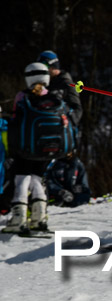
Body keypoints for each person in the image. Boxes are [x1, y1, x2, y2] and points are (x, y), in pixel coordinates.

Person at [2, 63, 56, 233]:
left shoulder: (23, 96)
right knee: (37, 178)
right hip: (46, 148)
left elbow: (17, 120)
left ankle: (19, 217)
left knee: (21, 178)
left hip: (25, 146)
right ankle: (39, 216)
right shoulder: (54, 98)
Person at [37, 50, 83, 126]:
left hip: (60, 130)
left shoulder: (66, 84)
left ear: (53, 66)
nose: (42, 70)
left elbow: (77, 110)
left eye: (44, 66)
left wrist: (67, 123)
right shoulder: (44, 83)